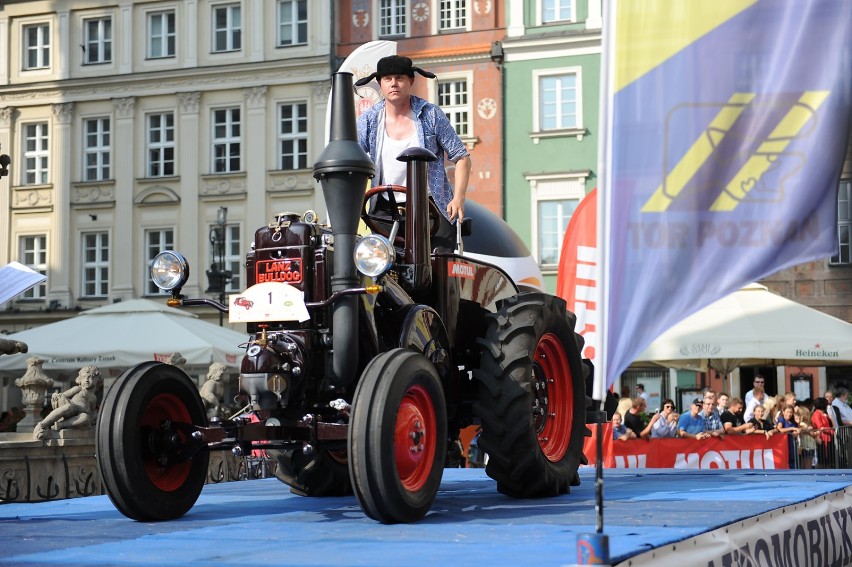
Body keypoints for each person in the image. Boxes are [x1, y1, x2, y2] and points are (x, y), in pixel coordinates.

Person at [356, 55, 472, 249]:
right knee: (380, 265)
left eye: (399, 78)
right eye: (387, 79)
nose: (394, 84)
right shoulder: (368, 120)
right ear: (380, 83)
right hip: (385, 206)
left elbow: (462, 157)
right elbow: (354, 161)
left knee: (440, 262)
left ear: (411, 81)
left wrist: (458, 198)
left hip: (429, 204)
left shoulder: (430, 114)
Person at [33, 366, 101, 440]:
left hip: (80, 414)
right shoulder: (78, 389)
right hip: (72, 407)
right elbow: (63, 395)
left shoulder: (94, 397)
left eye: (90, 377)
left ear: (97, 380)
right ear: (80, 380)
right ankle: (42, 424)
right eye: (84, 377)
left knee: (85, 418)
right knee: (68, 407)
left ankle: (61, 425)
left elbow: (93, 411)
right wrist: (56, 395)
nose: (87, 380)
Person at [812, 397, 836, 468]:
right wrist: (831, 430)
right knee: (822, 459)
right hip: (822, 438)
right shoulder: (817, 414)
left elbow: (831, 424)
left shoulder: (824, 413)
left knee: (829, 459)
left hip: (828, 438)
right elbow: (820, 427)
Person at [776, 404, 801, 468]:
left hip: (792, 444)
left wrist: (797, 432)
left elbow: (797, 430)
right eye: (787, 412)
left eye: (791, 412)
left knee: (793, 461)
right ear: (783, 412)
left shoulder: (793, 422)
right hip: (784, 444)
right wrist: (791, 428)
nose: (789, 414)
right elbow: (780, 429)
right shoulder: (781, 419)